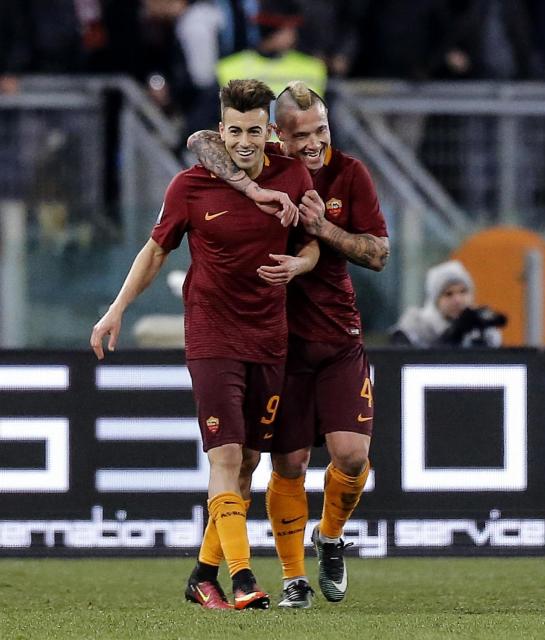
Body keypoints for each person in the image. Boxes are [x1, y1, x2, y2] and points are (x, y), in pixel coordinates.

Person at [90, 78, 317, 611]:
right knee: (226, 455)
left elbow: (312, 242)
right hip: (212, 335)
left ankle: (202, 574)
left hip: (270, 336)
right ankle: (242, 580)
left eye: (254, 130)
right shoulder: (189, 188)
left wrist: (300, 263)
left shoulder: (293, 174)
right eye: (234, 129)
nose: (244, 140)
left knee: (248, 464)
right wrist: (117, 308)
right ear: (222, 130)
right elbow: (154, 252)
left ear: (269, 133)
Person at [187, 80, 389, 608]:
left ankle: (330, 535)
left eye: (321, 129)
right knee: (285, 464)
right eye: (301, 135)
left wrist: (324, 231)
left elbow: (377, 253)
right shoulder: (267, 162)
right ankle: (292, 578)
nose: (314, 143)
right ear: (280, 134)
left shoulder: (350, 173)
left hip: (337, 332)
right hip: (276, 341)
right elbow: (201, 141)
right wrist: (249, 187)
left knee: (350, 455)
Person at [390, 260, 506, 347]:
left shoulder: (481, 331)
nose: (458, 300)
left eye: (463, 292)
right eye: (448, 294)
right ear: (435, 301)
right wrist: (454, 334)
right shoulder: (417, 326)